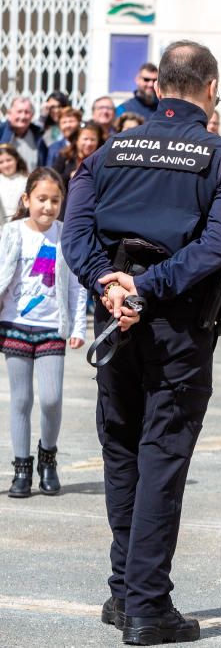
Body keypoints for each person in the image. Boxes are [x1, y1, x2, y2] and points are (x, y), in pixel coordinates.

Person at [62, 40, 221, 643]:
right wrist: (147, 288)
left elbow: (75, 233)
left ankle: (123, 594)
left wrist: (110, 284)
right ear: (211, 89)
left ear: (159, 86)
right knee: (160, 459)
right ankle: (146, 606)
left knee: (122, 453)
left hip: (116, 320)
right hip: (174, 326)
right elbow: (214, 249)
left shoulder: (107, 152)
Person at [3, 167, 87, 498]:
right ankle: (21, 468)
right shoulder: (11, 233)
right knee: (21, 399)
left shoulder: (66, 235)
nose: (48, 207)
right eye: (41, 199)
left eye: (55, 200)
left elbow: (77, 289)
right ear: (26, 199)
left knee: (51, 399)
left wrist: (78, 326)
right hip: (16, 325)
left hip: (52, 327)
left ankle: (47, 458)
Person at [52, 122, 106, 194]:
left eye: (93, 139)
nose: (89, 143)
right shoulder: (65, 156)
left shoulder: (101, 160)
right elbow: (53, 179)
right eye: (85, 139)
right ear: (77, 140)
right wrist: (70, 176)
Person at [1, 97, 43, 170]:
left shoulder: (39, 134)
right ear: (9, 114)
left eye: (27, 112)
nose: (23, 116)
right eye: (19, 112)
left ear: (32, 115)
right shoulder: (1, 132)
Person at [0, 144, 29, 220]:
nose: (6, 165)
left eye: (9, 160)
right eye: (1, 162)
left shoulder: (26, 180)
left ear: (16, 159)